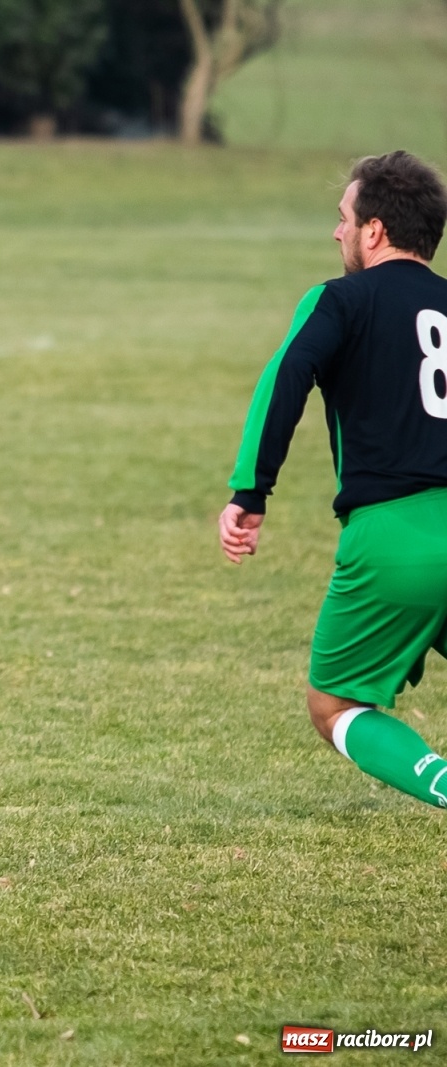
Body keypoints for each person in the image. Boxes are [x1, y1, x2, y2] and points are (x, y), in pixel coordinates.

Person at [220, 150, 447, 809]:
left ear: (374, 230)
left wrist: (250, 491)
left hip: (396, 537)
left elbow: (285, 377)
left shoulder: (340, 300)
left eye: (344, 218)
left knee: (335, 704)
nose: (336, 231)